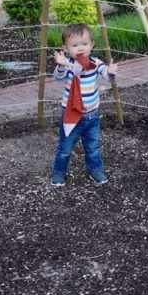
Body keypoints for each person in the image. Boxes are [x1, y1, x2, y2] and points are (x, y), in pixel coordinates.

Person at [50, 23, 118, 187]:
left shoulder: (95, 63)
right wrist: (60, 64)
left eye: (84, 44)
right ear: (65, 48)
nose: (80, 48)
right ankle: (59, 173)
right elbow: (58, 77)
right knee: (65, 148)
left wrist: (110, 72)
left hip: (92, 115)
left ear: (92, 45)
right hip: (71, 114)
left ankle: (95, 170)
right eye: (74, 45)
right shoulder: (67, 65)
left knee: (93, 146)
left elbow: (106, 76)